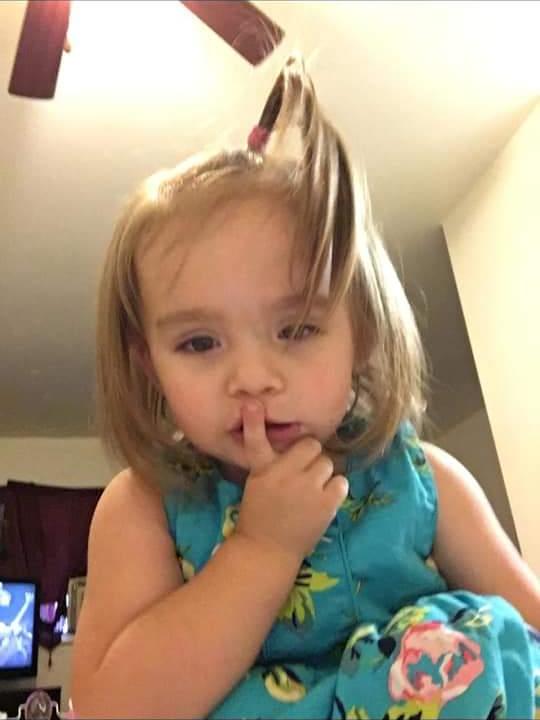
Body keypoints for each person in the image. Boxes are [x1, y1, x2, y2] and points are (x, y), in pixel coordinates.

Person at [71, 54, 540, 719]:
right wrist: (262, 549)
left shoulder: (422, 479)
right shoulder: (147, 505)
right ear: (150, 366)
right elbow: (111, 709)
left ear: (362, 337)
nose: (252, 379)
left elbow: (528, 638)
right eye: (199, 343)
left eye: (296, 329)